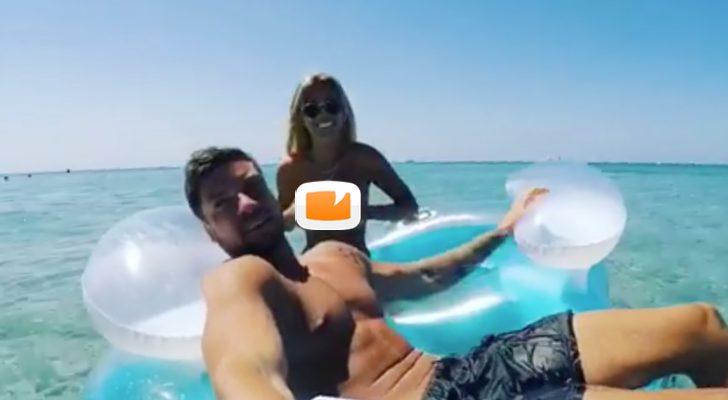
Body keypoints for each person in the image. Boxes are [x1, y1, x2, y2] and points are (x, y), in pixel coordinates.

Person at [185, 146, 728, 400]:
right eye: (223, 204)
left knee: (703, 324)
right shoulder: (242, 281)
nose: (245, 204)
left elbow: (430, 276)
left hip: (468, 370)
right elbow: (243, 369)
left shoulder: (333, 256)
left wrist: (505, 228)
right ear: (211, 231)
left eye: (251, 186)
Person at [277, 73, 419, 256]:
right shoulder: (291, 169)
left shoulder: (365, 159)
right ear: (300, 118)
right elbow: (277, 228)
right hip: (314, 262)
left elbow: (409, 208)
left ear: (344, 112)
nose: (323, 114)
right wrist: (294, 212)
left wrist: (365, 213)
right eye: (311, 110)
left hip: (357, 261)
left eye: (332, 106)